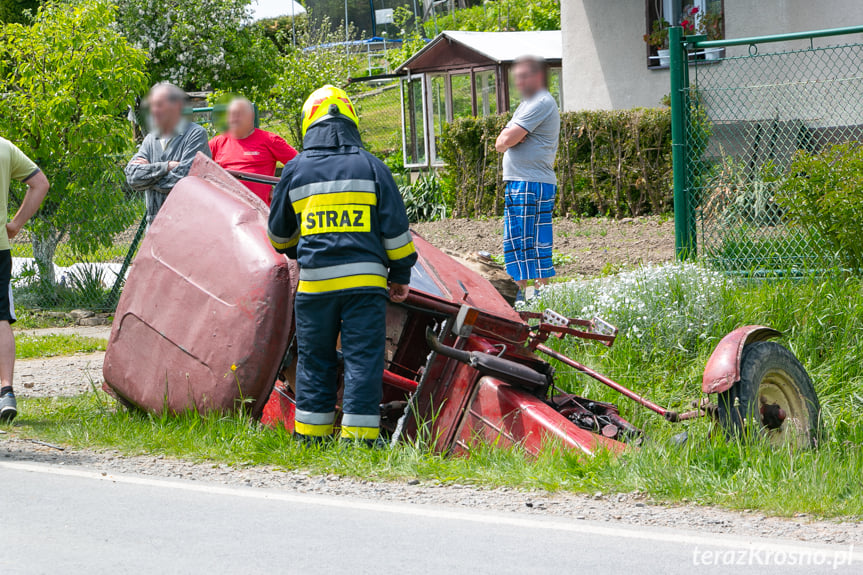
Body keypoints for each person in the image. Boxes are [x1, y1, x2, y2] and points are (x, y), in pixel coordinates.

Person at [268, 85, 417, 444]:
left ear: (309, 123)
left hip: (316, 286)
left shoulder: (295, 169)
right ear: (351, 120)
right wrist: (400, 275)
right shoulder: (372, 167)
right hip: (364, 288)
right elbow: (395, 233)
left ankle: (309, 437)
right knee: (362, 362)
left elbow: (278, 237)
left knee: (315, 360)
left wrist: (300, 248)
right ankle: (359, 441)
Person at [495, 55, 561, 301]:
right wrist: (508, 137)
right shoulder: (527, 103)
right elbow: (501, 141)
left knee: (530, 245)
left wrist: (510, 136)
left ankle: (538, 300)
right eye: (517, 78)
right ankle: (523, 298)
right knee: (516, 244)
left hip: (530, 182)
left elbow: (505, 141)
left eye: (524, 77)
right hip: (520, 181)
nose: (519, 82)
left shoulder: (540, 101)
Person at [0, 137, 50, 422]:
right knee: (0, 317)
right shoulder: (5, 148)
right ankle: (6, 391)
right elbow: (40, 183)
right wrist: (16, 225)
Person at [125, 83, 211, 226]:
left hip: (189, 225)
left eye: (159, 105)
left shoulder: (196, 134)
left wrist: (148, 179)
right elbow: (132, 177)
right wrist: (166, 167)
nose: (153, 110)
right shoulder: (150, 139)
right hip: (155, 226)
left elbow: (184, 180)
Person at [209, 97, 298, 205]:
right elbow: (197, 169)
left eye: (239, 114)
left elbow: (301, 166)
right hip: (227, 211)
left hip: (260, 213)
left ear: (251, 116)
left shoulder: (270, 140)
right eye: (231, 114)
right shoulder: (217, 143)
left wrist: (281, 190)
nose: (234, 118)